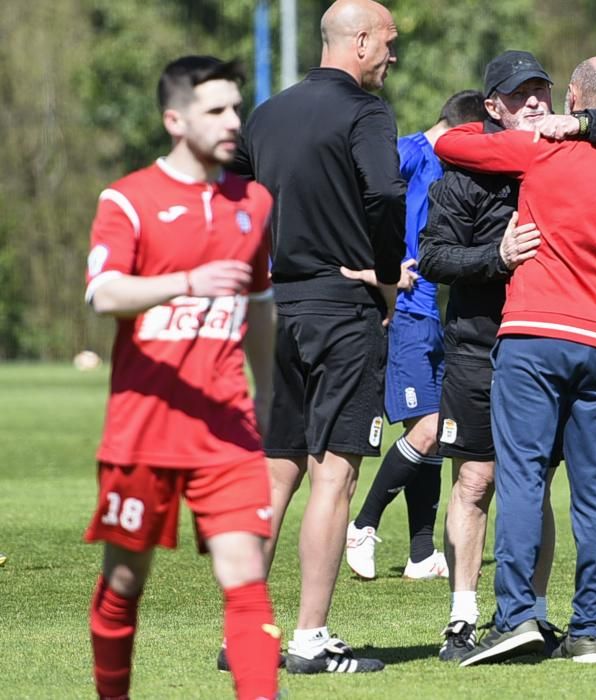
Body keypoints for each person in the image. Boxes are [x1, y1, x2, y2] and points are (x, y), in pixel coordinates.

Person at [418, 49, 596, 662]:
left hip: (531, 336)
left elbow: (452, 146)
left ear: (571, 103)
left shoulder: (540, 150)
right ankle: (588, 632)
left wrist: (547, 134)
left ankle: (517, 617)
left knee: (522, 479)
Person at [83, 55, 280, 699]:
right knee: (122, 584)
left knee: (246, 576)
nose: (233, 121)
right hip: (143, 431)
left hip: (227, 429)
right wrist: (186, 283)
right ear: (174, 119)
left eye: (236, 107)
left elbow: (255, 308)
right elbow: (103, 294)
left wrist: (271, 400)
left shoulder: (254, 201)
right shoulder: (129, 198)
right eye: (216, 110)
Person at [229, 0, 403, 675]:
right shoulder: (366, 113)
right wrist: (386, 274)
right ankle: (309, 639)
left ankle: (243, 634)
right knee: (336, 473)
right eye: (388, 42)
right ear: (359, 41)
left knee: (277, 476)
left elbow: (232, 198)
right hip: (343, 310)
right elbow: (386, 197)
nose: (392, 55)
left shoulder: (267, 114)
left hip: (282, 309)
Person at [345, 90, 489, 582]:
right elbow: (351, 202)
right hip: (403, 312)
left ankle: (422, 552)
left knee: (432, 433)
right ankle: (362, 526)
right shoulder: (407, 152)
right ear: (458, 131)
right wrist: (377, 271)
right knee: (430, 428)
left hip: (432, 315)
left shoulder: (451, 170)